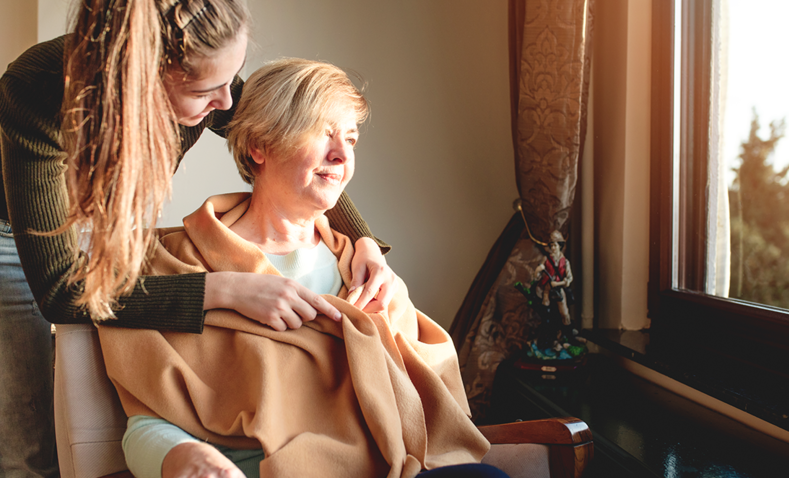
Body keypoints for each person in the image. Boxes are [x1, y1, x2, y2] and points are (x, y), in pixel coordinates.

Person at [0, 0, 395, 476]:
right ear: (143, 80)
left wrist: (361, 239)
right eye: (204, 92)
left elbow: (283, 140)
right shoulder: (38, 90)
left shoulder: (208, 77)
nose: (226, 104)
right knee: (23, 448)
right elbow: (61, 293)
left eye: (230, 79)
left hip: (99, 220)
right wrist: (223, 289)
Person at [98, 58, 508, 478]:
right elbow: (148, 422)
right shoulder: (180, 265)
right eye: (322, 133)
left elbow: (430, 400)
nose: (342, 155)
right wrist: (185, 458)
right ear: (259, 146)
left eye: (351, 139)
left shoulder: (364, 270)